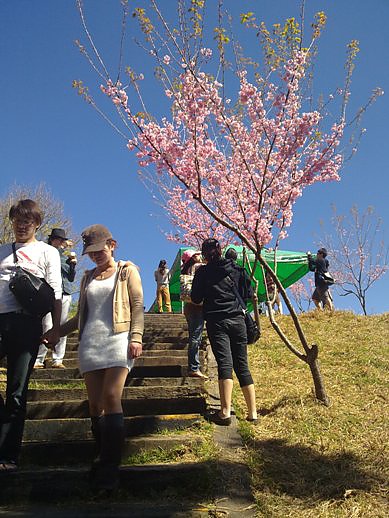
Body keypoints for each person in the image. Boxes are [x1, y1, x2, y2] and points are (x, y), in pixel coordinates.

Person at [60, 224, 144, 491]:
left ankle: (110, 467)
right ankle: (101, 454)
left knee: (110, 397)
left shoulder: (126, 271)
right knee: (95, 405)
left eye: (99, 249)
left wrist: (137, 336)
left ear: (112, 245)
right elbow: (79, 316)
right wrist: (55, 333)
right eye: (91, 252)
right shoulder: (86, 278)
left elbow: (138, 304)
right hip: (90, 344)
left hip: (118, 339)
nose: (96, 255)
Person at [0, 199, 62, 472]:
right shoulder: (2, 250)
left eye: (27, 221)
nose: (21, 225)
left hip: (27, 325)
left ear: (37, 224)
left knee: (16, 391)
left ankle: (8, 455)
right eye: (17, 220)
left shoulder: (48, 252)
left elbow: (56, 293)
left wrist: (56, 328)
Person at [191, 238, 257, 426]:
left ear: (204, 254)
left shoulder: (203, 272)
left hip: (216, 321)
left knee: (225, 364)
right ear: (221, 251)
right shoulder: (237, 270)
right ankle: (253, 413)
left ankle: (225, 412)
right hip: (238, 321)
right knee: (242, 365)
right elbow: (247, 293)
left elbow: (196, 298)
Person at [34, 228, 77, 369]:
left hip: (65, 293)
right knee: (46, 325)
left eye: (62, 240)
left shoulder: (66, 258)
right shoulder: (45, 252)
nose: (60, 242)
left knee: (61, 326)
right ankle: (39, 358)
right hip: (49, 292)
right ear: (52, 240)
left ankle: (58, 359)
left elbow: (70, 278)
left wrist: (73, 265)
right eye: (58, 239)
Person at [180, 249, 207, 379]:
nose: (200, 256)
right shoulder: (198, 267)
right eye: (197, 255)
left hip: (188, 306)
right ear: (193, 258)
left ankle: (193, 366)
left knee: (193, 335)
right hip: (197, 306)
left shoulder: (185, 270)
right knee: (196, 337)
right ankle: (194, 367)